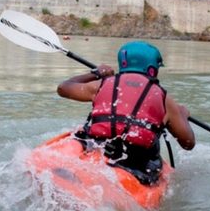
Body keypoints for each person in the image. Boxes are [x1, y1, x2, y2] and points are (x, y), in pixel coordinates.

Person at [57, 41, 195, 185]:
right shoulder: (164, 99)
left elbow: (63, 88)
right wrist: (182, 115)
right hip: (135, 164)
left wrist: (95, 74)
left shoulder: (102, 84)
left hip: (97, 148)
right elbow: (188, 142)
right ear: (152, 69)